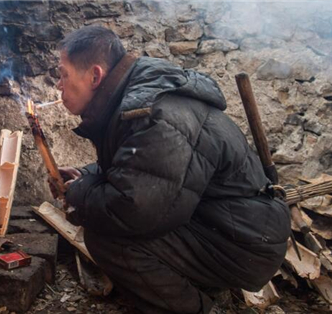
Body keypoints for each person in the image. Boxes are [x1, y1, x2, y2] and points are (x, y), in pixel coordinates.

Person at [50, 25, 291, 314]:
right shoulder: (135, 98)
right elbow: (139, 170)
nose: (58, 85)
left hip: (246, 242)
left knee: (109, 239)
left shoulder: (155, 114)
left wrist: (78, 193)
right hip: (231, 226)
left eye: (63, 74)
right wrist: (86, 176)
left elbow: (133, 211)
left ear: (95, 76)